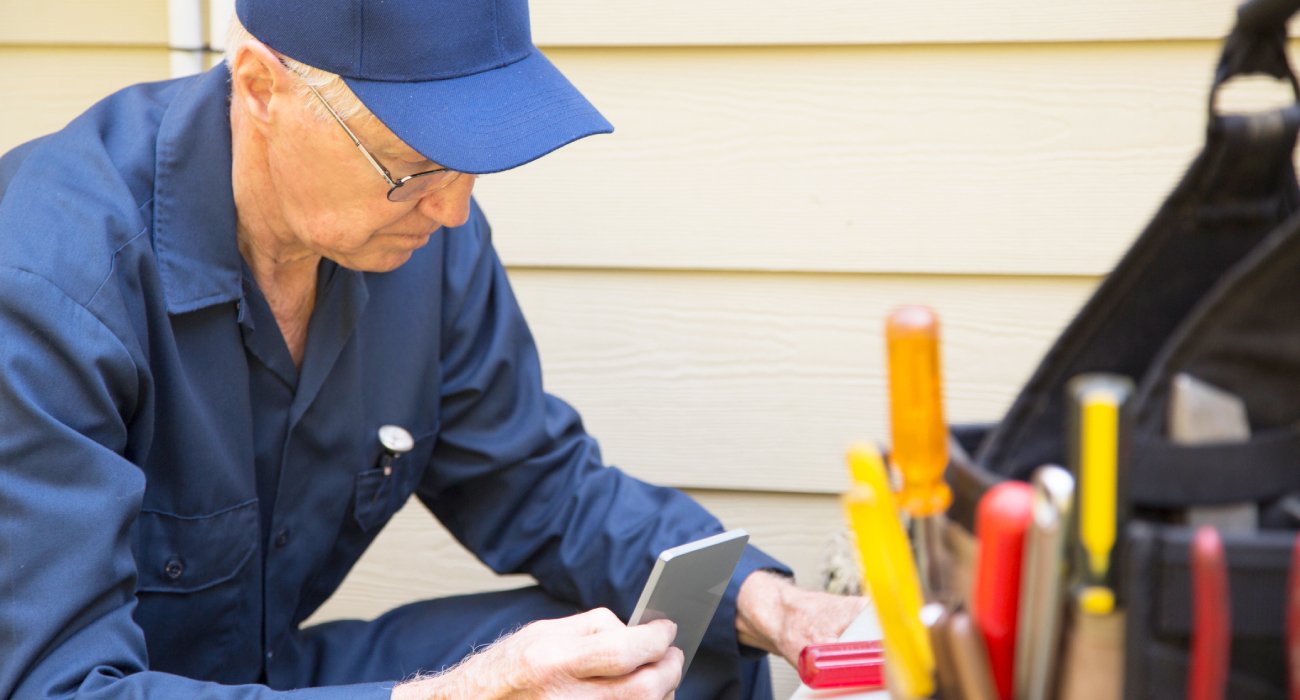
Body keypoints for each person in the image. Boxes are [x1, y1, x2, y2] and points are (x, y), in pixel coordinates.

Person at [0, 0, 866, 698]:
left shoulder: (419, 240)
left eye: (473, 161)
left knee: (669, 654)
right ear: (262, 86)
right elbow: (58, 684)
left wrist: (770, 603)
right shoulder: (45, 280)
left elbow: (536, 482)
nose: (453, 212)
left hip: (266, 675)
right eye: (414, 165)